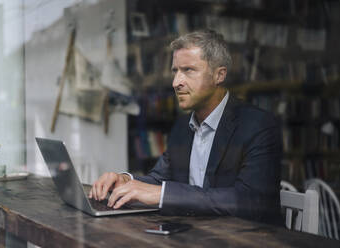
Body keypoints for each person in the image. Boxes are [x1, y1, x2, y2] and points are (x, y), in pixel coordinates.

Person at [89, 29, 283, 225]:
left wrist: (164, 194)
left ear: (219, 75)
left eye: (188, 70)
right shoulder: (183, 126)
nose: (176, 82)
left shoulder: (259, 126)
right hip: (199, 235)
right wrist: (125, 180)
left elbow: (250, 202)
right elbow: (159, 179)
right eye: (175, 71)